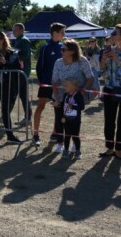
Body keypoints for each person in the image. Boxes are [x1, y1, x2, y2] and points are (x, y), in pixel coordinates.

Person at [51, 39, 94, 153]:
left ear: (72, 51)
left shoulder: (82, 61)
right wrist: (56, 98)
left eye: (63, 49)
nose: (61, 51)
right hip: (60, 96)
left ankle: (75, 145)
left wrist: (81, 93)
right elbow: (54, 82)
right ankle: (60, 143)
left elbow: (90, 78)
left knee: (74, 122)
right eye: (61, 49)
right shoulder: (58, 62)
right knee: (59, 120)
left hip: (75, 97)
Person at [32, 22, 66, 146]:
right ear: (55, 33)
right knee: (40, 106)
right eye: (62, 32)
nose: (64, 34)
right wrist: (42, 81)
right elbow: (39, 66)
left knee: (58, 109)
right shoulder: (45, 47)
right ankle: (35, 134)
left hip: (59, 85)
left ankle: (54, 133)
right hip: (46, 83)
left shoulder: (64, 47)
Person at [99, 24, 121, 159]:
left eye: (114, 33)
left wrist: (117, 59)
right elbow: (101, 70)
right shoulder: (107, 50)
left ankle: (119, 150)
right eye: (112, 33)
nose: (111, 35)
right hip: (109, 88)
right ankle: (109, 148)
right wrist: (103, 60)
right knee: (109, 120)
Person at [12, 23, 33, 126]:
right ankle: (27, 117)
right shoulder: (18, 40)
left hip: (23, 72)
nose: (13, 32)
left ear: (21, 30)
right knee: (17, 94)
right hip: (18, 72)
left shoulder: (24, 40)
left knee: (23, 95)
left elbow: (24, 55)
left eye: (15, 30)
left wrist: (13, 57)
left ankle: (28, 118)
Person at [58, 78, 85, 159]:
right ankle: (66, 150)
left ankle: (78, 151)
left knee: (75, 136)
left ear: (74, 87)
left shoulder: (78, 95)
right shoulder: (65, 95)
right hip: (67, 119)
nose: (64, 86)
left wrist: (73, 106)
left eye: (66, 85)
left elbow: (82, 107)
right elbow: (63, 104)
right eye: (64, 85)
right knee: (67, 136)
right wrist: (58, 104)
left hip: (75, 120)